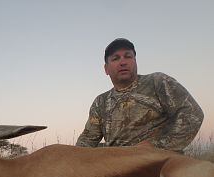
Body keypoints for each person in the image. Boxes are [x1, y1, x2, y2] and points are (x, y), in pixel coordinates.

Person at [76, 38, 204, 152]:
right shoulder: (100, 102)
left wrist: (157, 146)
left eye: (128, 56)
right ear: (106, 69)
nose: (123, 62)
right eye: (115, 58)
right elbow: (87, 140)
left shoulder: (158, 81)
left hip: (160, 162)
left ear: (135, 61)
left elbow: (192, 113)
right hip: (117, 167)